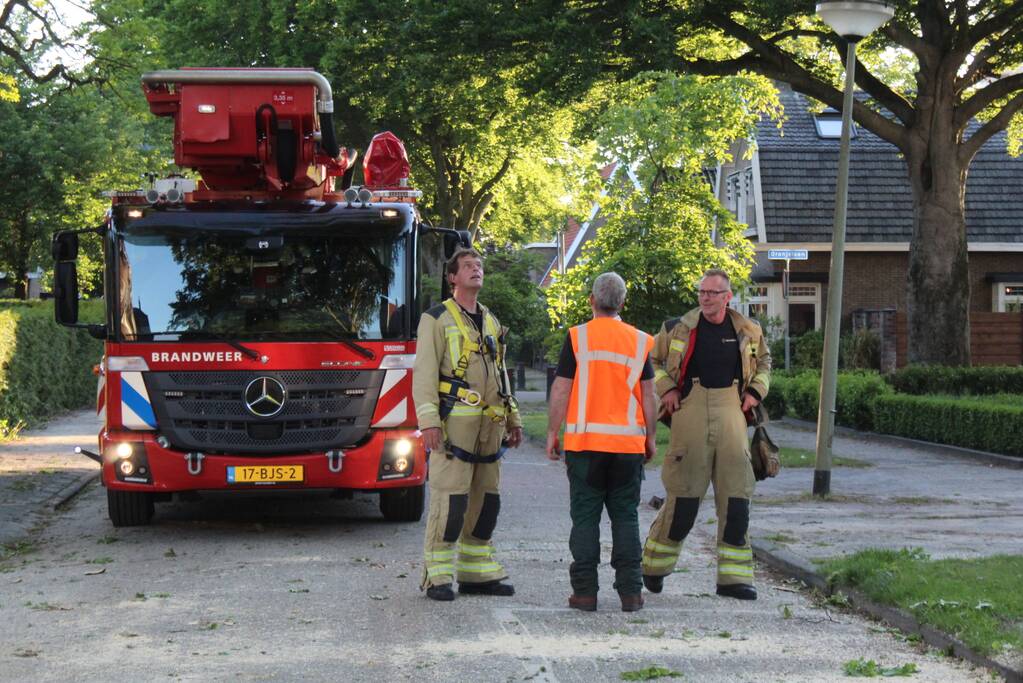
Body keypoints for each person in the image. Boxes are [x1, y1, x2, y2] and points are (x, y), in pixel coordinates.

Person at [640, 268, 771, 600]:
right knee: (684, 498)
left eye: (713, 293)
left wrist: (755, 391)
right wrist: (667, 388)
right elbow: (652, 362)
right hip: (690, 410)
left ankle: (734, 579)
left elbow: (765, 364)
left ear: (727, 297)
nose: (706, 298)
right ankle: (653, 566)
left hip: (733, 412)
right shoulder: (676, 328)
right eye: (702, 292)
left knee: (737, 496)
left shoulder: (748, 329)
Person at [413, 248, 523, 602]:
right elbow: (424, 375)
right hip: (452, 428)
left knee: (486, 503)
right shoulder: (436, 319)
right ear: (452, 278)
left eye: (479, 266)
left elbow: (501, 373)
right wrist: (429, 422)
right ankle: (438, 576)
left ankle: (477, 573)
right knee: (451, 502)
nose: (477, 270)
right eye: (468, 267)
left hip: (490, 428)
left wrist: (513, 417)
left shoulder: (490, 320)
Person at [546, 273, 657, 612]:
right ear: (622, 303)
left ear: (591, 301)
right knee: (625, 518)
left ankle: (584, 593)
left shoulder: (578, 338)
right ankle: (631, 593)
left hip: (585, 448)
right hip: (626, 449)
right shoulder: (639, 342)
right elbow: (649, 394)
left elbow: (562, 387)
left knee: (585, 519)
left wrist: (553, 431)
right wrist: (650, 436)